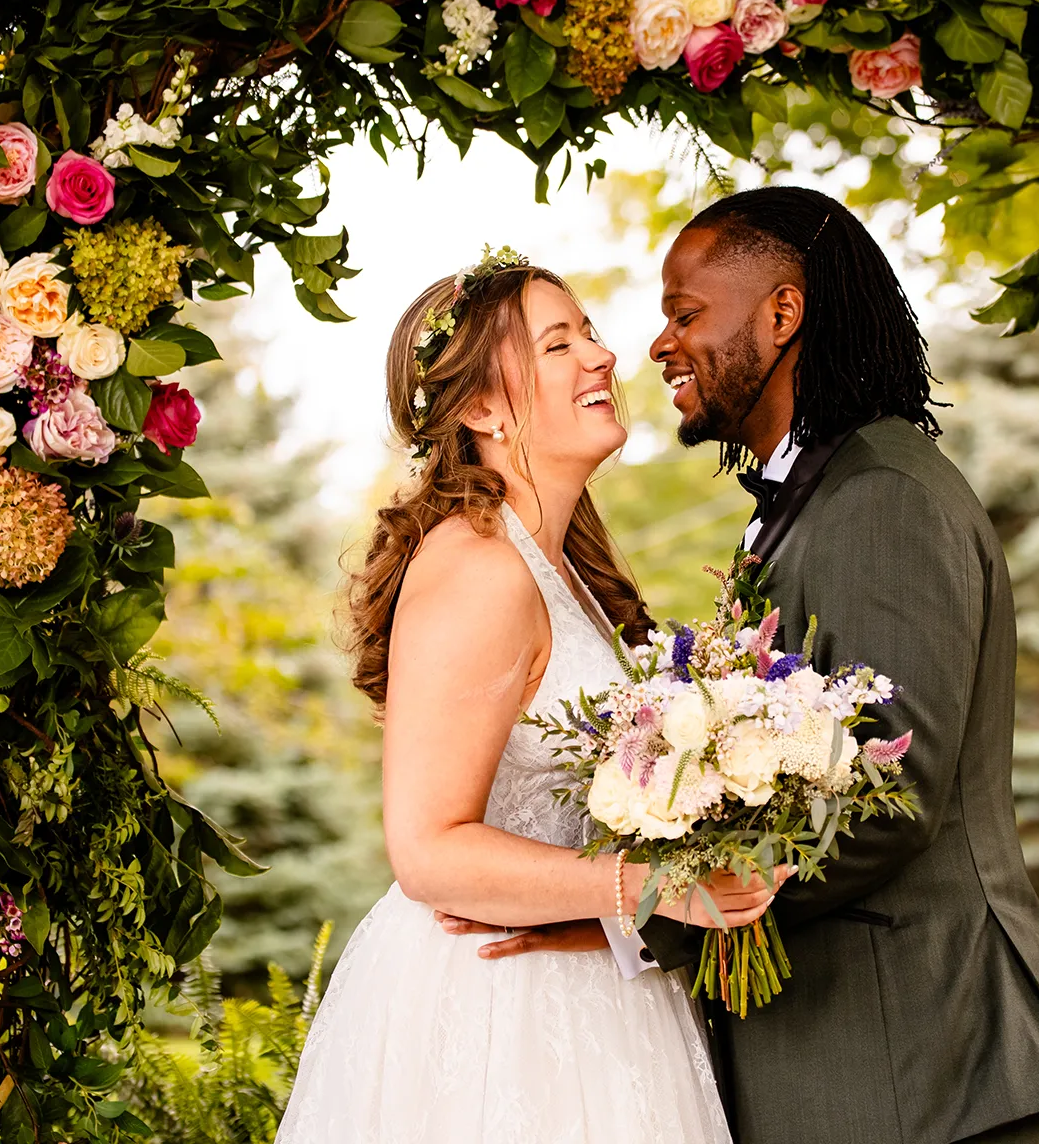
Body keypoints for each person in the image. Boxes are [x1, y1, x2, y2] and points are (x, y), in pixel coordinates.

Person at [460, 189, 1039, 1144]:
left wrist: (653, 912)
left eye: (685, 313)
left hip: (905, 1062)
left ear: (782, 314)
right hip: (861, 1063)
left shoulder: (881, 496)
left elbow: (894, 788)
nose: (658, 344)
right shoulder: (818, 496)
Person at [275, 252, 777, 1144]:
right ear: (480, 408)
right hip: (492, 1012)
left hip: (591, 984)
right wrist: (656, 883)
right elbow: (428, 850)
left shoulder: (564, 569)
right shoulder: (478, 568)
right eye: (559, 343)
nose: (602, 357)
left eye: (587, 331)